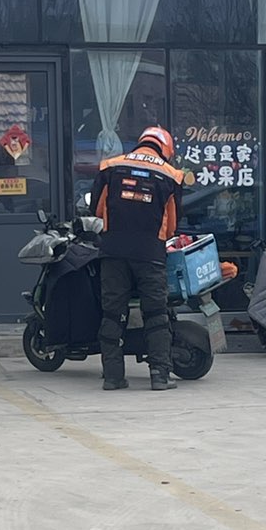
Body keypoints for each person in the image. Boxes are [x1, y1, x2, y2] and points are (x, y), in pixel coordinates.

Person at [90, 126, 184, 391]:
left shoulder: (110, 167)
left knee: (112, 313)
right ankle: (160, 376)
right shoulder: (172, 176)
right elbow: (172, 225)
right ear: (165, 149)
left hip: (113, 252)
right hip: (150, 255)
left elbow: (96, 209)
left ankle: (113, 377)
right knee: (155, 314)